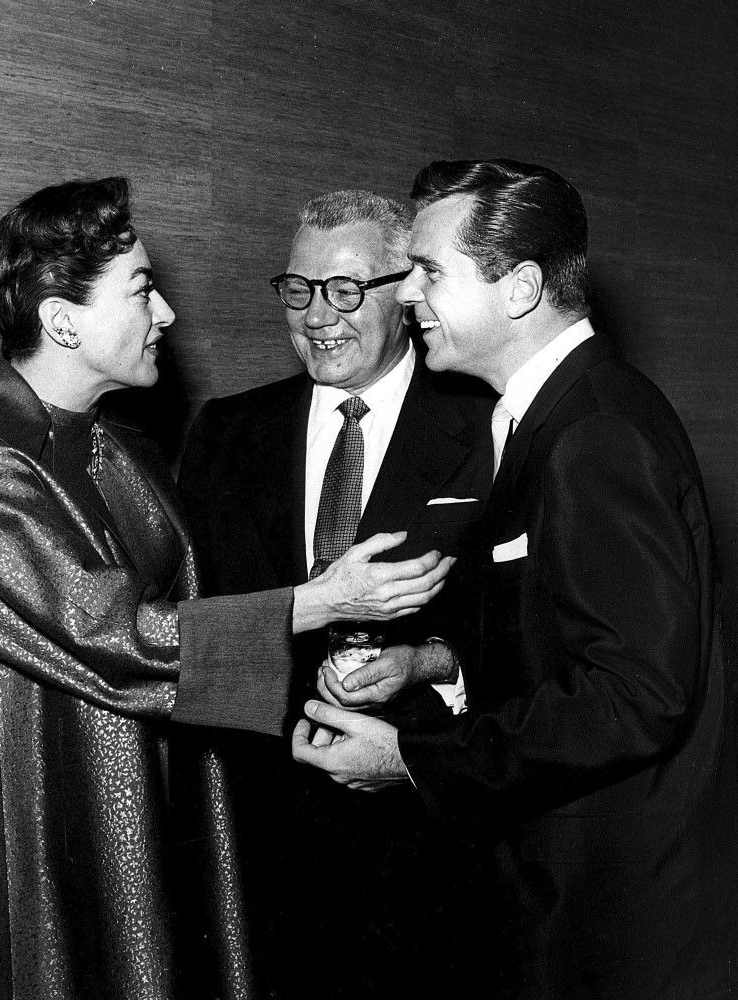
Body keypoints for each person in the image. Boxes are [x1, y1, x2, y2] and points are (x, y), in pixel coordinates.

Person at [0, 177, 453, 1000]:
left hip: (138, 810)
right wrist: (320, 601)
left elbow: (193, 611)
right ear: (64, 320)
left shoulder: (122, 453)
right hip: (34, 827)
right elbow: (119, 633)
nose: (167, 313)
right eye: (142, 290)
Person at [293, 160, 737, 999]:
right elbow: (560, 638)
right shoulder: (535, 415)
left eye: (429, 272)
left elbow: (637, 695)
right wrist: (437, 664)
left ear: (521, 287)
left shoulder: (596, 433)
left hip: (615, 914)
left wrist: (415, 759)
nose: (408, 296)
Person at [176, 189, 495, 999]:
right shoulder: (222, 432)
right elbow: (195, 625)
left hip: (424, 850)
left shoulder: (489, 431)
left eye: (347, 290)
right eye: (299, 289)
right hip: (257, 851)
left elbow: (530, 635)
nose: (319, 315)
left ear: (407, 291)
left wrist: (428, 660)